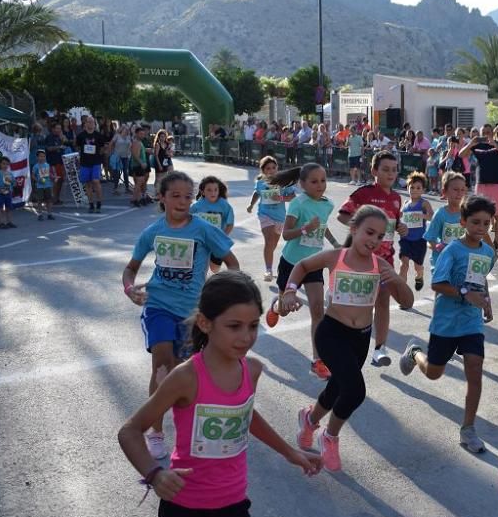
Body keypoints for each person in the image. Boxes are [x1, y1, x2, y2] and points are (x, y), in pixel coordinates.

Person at [117, 271, 322, 517]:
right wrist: (155, 474)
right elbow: (130, 431)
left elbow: (245, 415)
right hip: (183, 502)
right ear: (205, 323)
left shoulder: (251, 370)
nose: (246, 337)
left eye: (253, 325)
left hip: (230, 502)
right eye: (234, 326)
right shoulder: (185, 377)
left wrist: (290, 452)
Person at [283, 206, 413, 471]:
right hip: (331, 332)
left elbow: (407, 302)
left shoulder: (380, 266)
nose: (374, 240)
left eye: (380, 236)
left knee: (337, 388)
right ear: (353, 229)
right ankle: (329, 438)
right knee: (355, 390)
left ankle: (309, 420)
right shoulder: (336, 257)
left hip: (360, 338)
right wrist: (290, 291)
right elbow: (303, 265)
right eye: (369, 232)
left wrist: (398, 281)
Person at [122, 171, 241, 460]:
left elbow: (231, 261)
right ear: (161, 197)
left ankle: (187, 431)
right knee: (161, 365)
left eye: (188, 196)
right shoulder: (152, 232)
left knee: (183, 372)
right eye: (175, 195)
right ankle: (157, 431)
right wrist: (129, 289)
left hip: (191, 312)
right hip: (158, 304)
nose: (182, 201)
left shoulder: (202, 229)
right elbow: (131, 269)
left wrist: (231, 293)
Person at [399, 195, 497, 453]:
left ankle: (468, 429)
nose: (481, 228)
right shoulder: (451, 250)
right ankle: (415, 352)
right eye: (475, 222)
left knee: (475, 369)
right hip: (446, 321)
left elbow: (481, 280)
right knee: (433, 372)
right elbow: (437, 284)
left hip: (471, 322)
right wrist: (466, 294)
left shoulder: (488, 252)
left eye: (486, 223)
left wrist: (486, 302)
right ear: (463, 221)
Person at [264, 163, 340, 380]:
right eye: (314, 181)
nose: (320, 185)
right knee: (286, 310)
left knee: (318, 310)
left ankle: (318, 360)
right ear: (303, 184)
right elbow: (286, 234)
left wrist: (335, 243)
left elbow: (323, 226)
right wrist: (306, 228)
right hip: (291, 263)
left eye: (323, 180)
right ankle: (276, 306)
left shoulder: (327, 204)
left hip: (314, 263)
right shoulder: (298, 203)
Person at [338, 151, 408, 367]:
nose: (390, 173)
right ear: (374, 171)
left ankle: (380, 348)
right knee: (358, 303)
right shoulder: (364, 193)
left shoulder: (397, 198)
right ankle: (345, 344)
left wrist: (401, 227)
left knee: (382, 302)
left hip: (385, 259)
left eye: (394, 170)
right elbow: (343, 214)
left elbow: (395, 225)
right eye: (385, 169)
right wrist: (363, 232)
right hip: (360, 260)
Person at [459, 123, 498, 250]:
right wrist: (471, 144)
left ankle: (496, 241)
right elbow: (461, 155)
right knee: (479, 213)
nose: (486, 134)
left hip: (496, 183)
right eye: (484, 132)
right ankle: (484, 240)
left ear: (493, 133)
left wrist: (495, 144)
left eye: (488, 131)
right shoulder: (477, 145)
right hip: (481, 183)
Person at [246, 156, 296, 282]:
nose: (271, 170)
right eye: (268, 168)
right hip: (265, 214)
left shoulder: (283, 181)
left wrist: (281, 199)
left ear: (277, 168)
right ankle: (268, 269)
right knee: (269, 241)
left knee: (273, 244)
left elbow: (293, 196)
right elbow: (257, 193)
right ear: (263, 170)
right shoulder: (260, 182)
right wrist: (251, 205)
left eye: (274, 168)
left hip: (279, 217)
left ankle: (273, 263)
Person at [397, 172, 433, 298]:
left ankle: (420, 275)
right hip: (405, 239)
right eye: (412, 187)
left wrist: (422, 215)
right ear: (407, 188)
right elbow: (400, 217)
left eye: (418, 188)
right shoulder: (405, 203)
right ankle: (403, 293)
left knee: (417, 266)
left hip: (419, 241)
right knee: (403, 265)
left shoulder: (424, 203)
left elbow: (431, 216)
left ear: (423, 190)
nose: (414, 190)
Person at [190, 175, 235, 274]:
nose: (213, 192)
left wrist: (222, 236)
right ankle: (203, 283)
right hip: (201, 241)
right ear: (203, 192)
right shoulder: (196, 206)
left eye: (215, 190)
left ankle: (215, 279)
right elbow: (188, 221)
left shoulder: (224, 205)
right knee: (202, 266)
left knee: (215, 269)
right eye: (209, 190)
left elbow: (230, 224)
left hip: (217, 241)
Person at [75, 116, 107, 214]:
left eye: (92, 122)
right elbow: (77, 146)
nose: (90, 124)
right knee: (88, 184)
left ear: (94, 124)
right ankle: (91, 204)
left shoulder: (98, 135)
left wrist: (99, 155)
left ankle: (99, 202)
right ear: (85, 124)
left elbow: (103, 147)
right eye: (88, 122)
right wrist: (79, 156)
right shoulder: (81, 135)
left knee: (96, 181)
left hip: (96, 162)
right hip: (85, 162)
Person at [29, 149, 55, 221]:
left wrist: (53, 177)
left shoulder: (47, 165)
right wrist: (38, 180)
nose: (42, 158)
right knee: (40, 201)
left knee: (49, 200)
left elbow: (49, 174)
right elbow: (33, 175)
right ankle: (40, 214)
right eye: (40, 156)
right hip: (39, 186)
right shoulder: (35, 166)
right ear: (37, 157)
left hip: (48, 185)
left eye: (43, 156)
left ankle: (49, 214)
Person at [44, 123, 66, 205]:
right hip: (52, 162)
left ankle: (57, 198)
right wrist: (59, 147)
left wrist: (63, 140)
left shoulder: (59, 137)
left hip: (60, 162)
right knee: (56, 181)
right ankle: (52, 198)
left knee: (60, 180)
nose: (59, 130)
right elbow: (49, 148)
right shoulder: (49, 137)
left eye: (60, 129)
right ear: (53, 129)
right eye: (57, 128)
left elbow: (64, 146)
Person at [0, 157, 16, 230]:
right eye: (3, 164)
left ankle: (9, 222)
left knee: (9, 208)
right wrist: (0, 190)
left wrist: (12, 182)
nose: (5, 165)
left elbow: (14, 183)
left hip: (8, 193)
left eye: (7, 164)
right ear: (0, 164)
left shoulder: (10, 174)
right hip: (1, 194)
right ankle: (0, 223)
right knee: (0, 208)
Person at [129, 126, 150, 207]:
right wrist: (141, 163)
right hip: (137, 166)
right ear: (136, 134)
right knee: (139, 183)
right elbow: (135, 155)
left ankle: (136, 198)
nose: (142, 135)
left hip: (139, 165)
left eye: (143, 134)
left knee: (140, 183)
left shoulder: (139, 142)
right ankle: (134, 199)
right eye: (141, 134)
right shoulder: (136, 142)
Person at [110, 125, 132, 194]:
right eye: (125, 129)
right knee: (117, 173)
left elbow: (131, 145)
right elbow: (111, 143)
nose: (126, 131)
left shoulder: (129, 137)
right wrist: (111, 152)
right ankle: (115, 188)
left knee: (125, 172)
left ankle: (127, 188)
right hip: (117, 157)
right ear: (121, 130)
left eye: (127, 130)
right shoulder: (117, 136)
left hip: (125, 157)